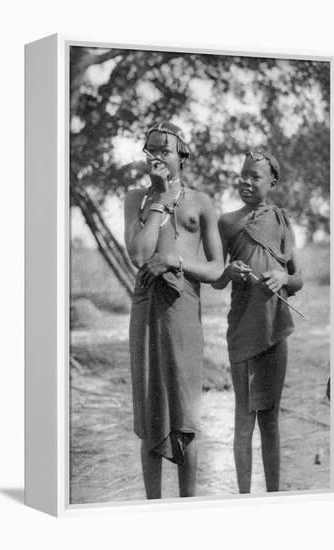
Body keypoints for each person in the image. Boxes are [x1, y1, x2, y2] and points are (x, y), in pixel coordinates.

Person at [124, 121, 223, 499]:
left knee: (185, 418)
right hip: (146, 311)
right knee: (152, 417)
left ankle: (189, 508)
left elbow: (215, 270)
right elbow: (137, 254)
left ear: (182, 154)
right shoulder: (137, 199)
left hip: (183, 311)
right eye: (149, 150)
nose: (155, 157)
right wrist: (161, 201)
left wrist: (174, 260)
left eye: (163, 150)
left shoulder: (201, 202)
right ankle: (154, 510)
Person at [213, 150, 303, 493]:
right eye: (243, 174)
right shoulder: (227, 222)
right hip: (242, 329)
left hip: (274, 329)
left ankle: (275, 497)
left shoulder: (281, 220)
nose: (246, 182)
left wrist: (283, 277)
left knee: (271, 420)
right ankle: (243, 500)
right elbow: (214, 278)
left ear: (272, 183)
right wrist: (228, 271)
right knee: (243, 419)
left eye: (255, 176)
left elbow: (299, 279)